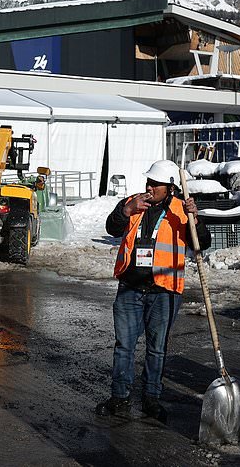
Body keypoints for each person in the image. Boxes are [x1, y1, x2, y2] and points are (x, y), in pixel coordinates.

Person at [95, 159, 201, 423]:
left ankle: (151, 399)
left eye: (156, 184)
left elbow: (202, 244)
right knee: (124, 346)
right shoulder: (134, 203)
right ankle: (119, 397)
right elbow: (112, 227)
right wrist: (125, 210)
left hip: (164, 291)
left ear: (171, 188)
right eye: (149, 182)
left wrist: (194, 220)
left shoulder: (181, 210)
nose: (150, 187)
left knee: (157, 348)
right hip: (130, 289)